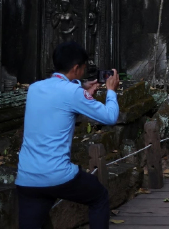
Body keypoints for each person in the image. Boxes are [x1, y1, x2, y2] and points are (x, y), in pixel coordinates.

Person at [16, 41, 120, 229]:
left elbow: (59, 103)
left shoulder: (34, 88)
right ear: (76, 68)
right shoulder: (73, 93)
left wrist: (81, 87)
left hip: (27, 177)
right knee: (99, 197)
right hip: (58, 176)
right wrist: (111, 91)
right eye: (84, 67)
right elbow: (110, 117)